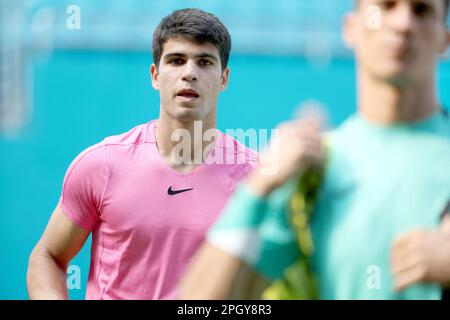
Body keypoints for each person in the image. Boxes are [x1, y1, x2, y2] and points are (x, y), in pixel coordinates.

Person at [179, 0, 450, 299]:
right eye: (385, 7)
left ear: (444, 38)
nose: (403, 24)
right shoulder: (315, 170)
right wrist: (258, 187)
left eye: (422, 10)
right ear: (351, 29)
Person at [26, 8, 257, 300]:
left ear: (223, 78)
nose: (189, 73)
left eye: (204, 62)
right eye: (176, 60)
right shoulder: (102, 165)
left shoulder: (256, 178)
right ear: (155, 75)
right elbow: (47, 257)